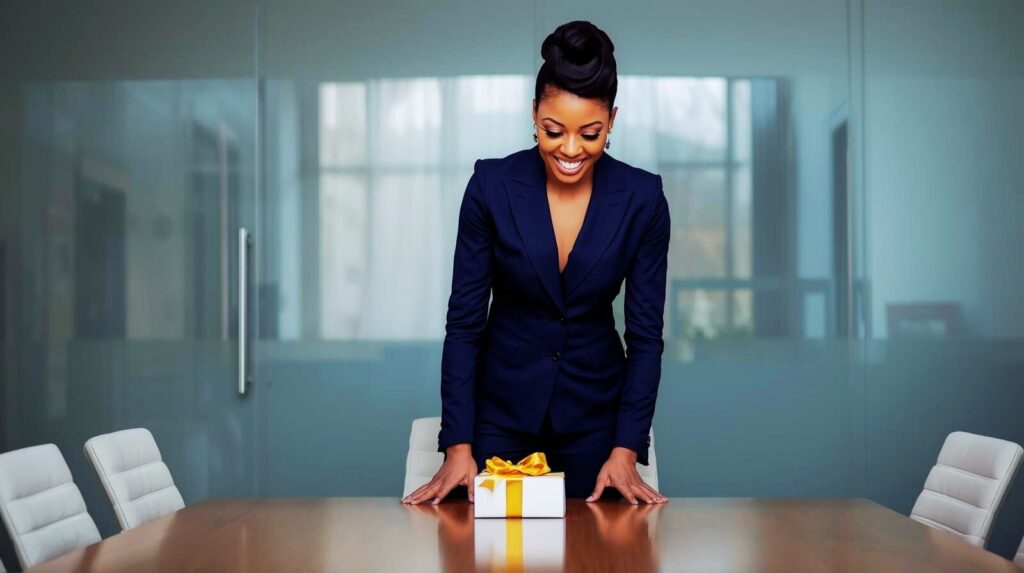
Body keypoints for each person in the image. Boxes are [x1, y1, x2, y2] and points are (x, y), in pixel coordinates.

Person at [402, 20, 670, 506]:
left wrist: (627, 447)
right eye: (553, 130)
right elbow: (463, 325)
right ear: (533, 114)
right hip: (498, 419)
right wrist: (458, 445)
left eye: (589, 133)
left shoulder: (642, 198)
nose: (570, 150)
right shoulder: (491, 186)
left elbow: (646, 338)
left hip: (598, 424)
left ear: (611, 120)